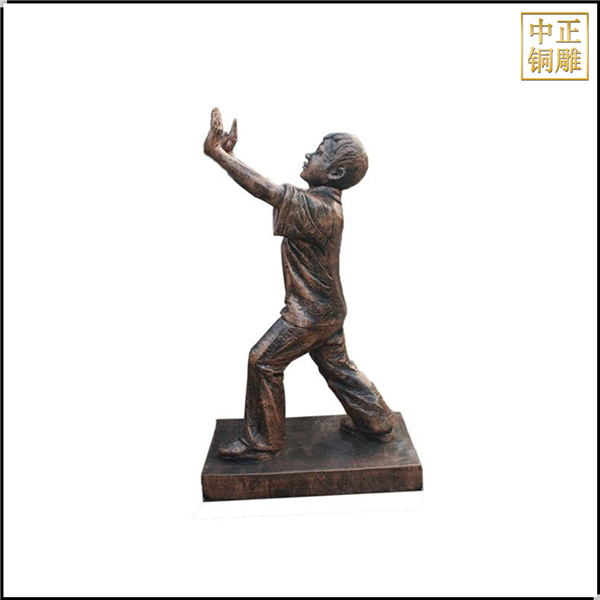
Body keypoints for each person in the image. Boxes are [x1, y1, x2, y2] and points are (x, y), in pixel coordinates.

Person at [204, 108, 395, 460]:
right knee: (337, 366)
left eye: (319, 153)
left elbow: (267, 190)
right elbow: (271, 191)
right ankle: (377, 421)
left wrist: (219, 155)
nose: (309, 155)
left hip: (310, 314)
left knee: (263, 361)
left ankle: (263, 441)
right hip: (326, 309)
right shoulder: (322, 205)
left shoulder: (320, 209)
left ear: (335, 173)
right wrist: (228, 155)